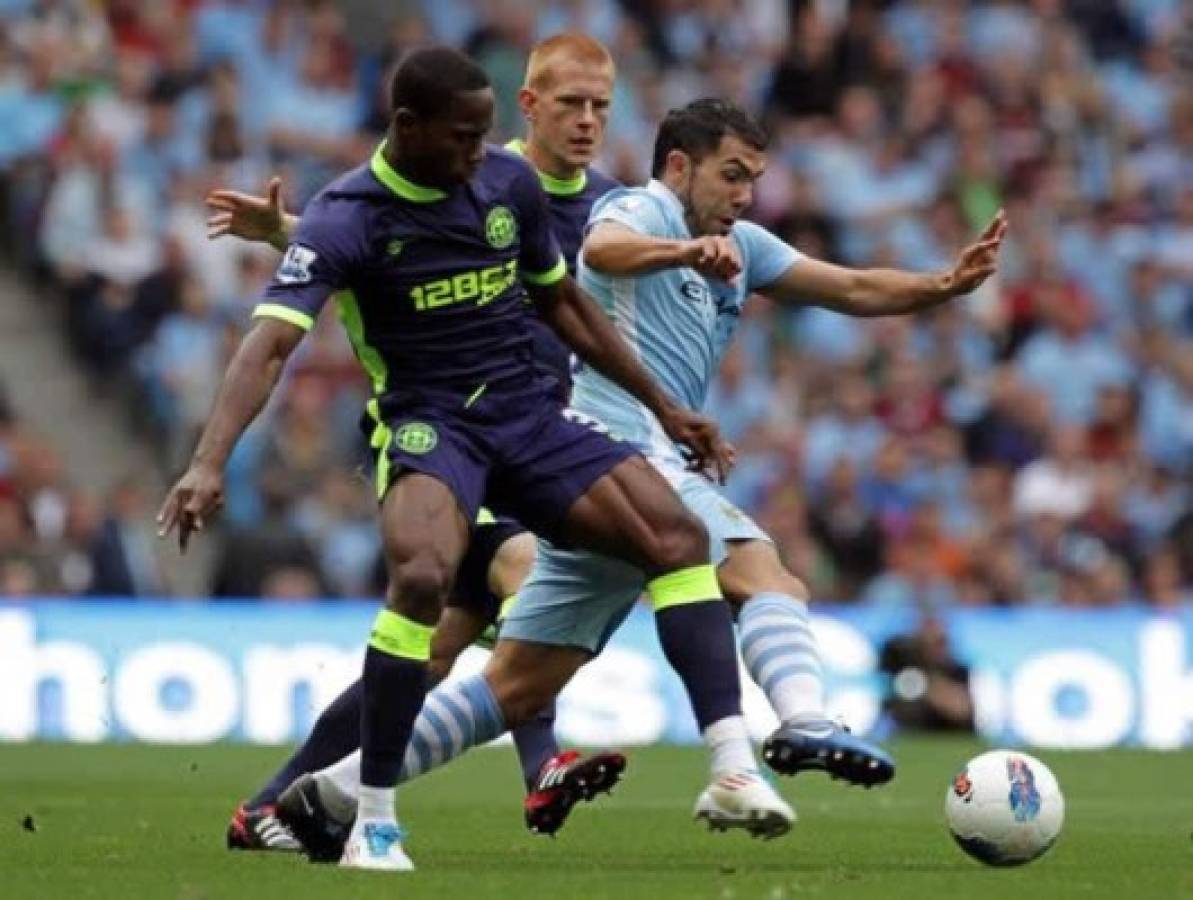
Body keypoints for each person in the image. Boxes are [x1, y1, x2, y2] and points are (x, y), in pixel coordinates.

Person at [272, 97, 1004, 858]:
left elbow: (849, 289)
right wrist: (684, 254)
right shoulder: (639, 209)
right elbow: (604, 253)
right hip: (614, 452)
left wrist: (941, 285)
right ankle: (802, 721)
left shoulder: (742, 246)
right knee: (768, 579)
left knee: (515, 686)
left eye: (753, 178)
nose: (744, 194)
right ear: (680, 166)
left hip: (602, 485)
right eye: (730, 175)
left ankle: (330, 792)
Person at [159, 47, 753, 873]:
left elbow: (563, 304)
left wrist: (663, 406)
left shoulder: (510, 189)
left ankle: (281, 801)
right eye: (466, 137)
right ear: (408, 127)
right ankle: (391, 811)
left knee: (664, 540)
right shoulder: (346, 213)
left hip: (530, 421)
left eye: (485, 137)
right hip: (431, 430)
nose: (482, 154)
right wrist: (207, 462)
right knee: (438, 583)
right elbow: (266, 348)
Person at [216, 33, 625, 853]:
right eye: (570, 104)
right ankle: (539, 766)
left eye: (601, 107)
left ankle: (267, 807)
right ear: (529, 107)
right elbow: (377, 233)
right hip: (449, 440)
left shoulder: (614, 205)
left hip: (535, 435)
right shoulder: (481, 168)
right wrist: (287, 234)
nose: (586, 122)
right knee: (532, 584)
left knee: (431, 658)